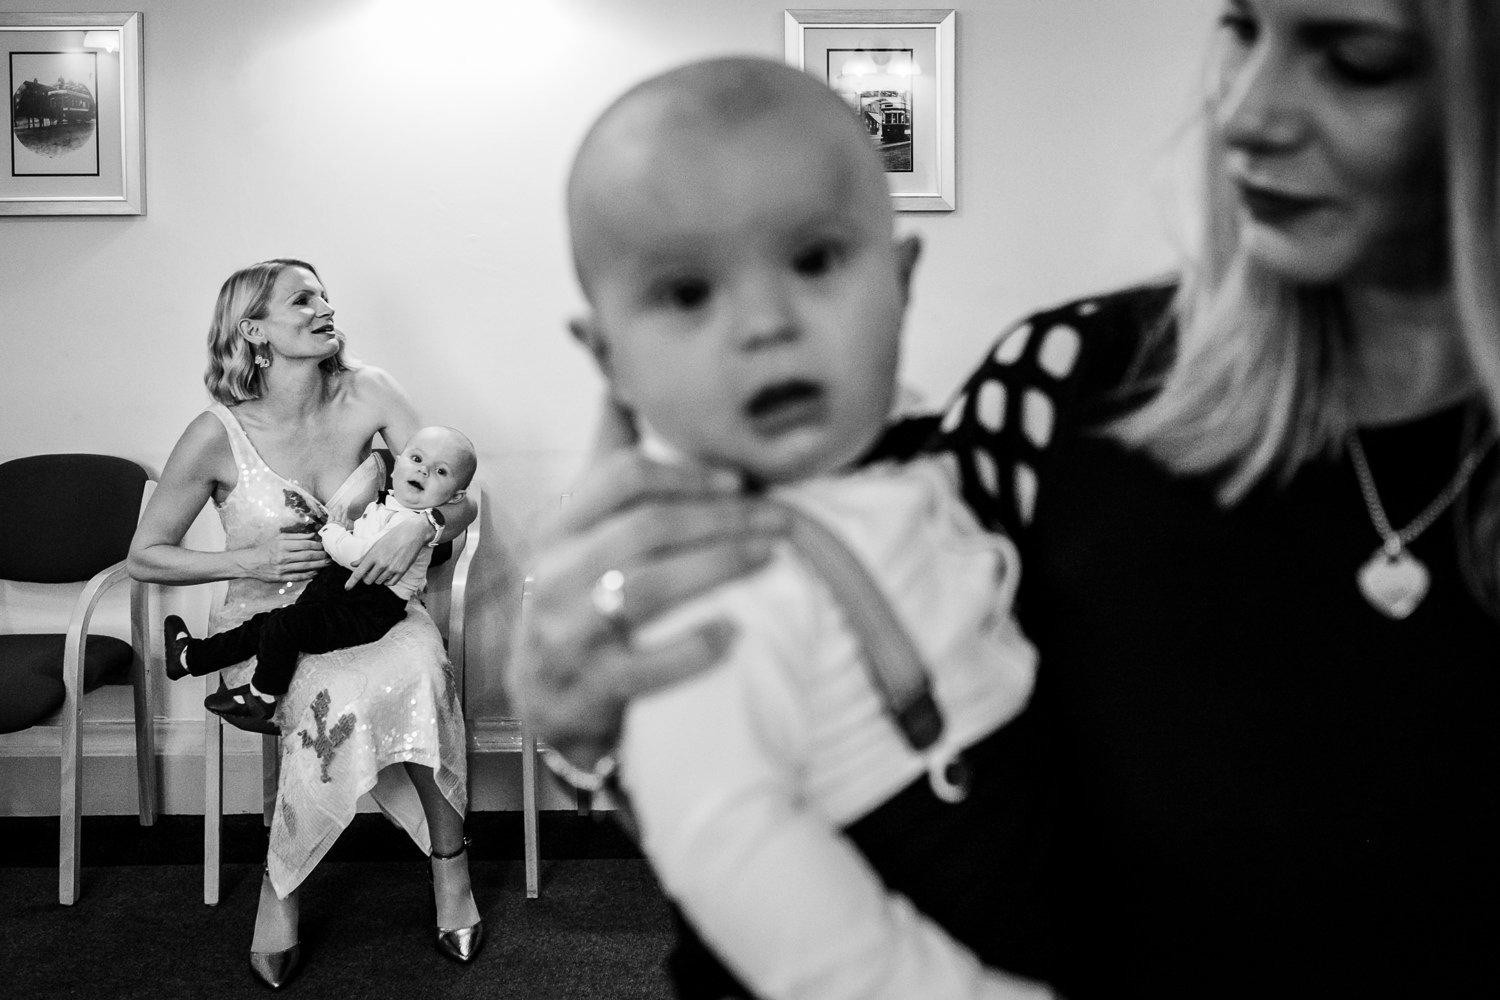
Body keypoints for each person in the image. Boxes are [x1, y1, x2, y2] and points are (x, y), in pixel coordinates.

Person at [510, 1, 1500, 996]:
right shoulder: (1065, 390)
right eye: (1241, 26)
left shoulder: (900, 478)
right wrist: (592, 717)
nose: (1245, 114)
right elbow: (734, 839)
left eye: (1357, 58)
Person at [564, 57, 1049, 1000]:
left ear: (902, 281)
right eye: (688, 294)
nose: (766, 323)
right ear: (608, 358)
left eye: (816, 261)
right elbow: (731, 850)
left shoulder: (920, 460)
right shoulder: (704, 583)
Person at [128, 259, 485, 989]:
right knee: (328, 688)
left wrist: (420, 529)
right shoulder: (216, 434)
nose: (324, 306)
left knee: (420, 664)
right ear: (252, 330)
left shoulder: (372, 391)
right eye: (302, 299)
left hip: (374, 610)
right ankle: (282, 883)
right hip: (268, 624)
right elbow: (145, 556)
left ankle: (452, 871)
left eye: (323, 294)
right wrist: (252, 558)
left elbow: (462, 492)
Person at [161, 425, 477, 733]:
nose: (423, 471)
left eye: (440, 472)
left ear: (455, 495)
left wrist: (330, 531)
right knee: (265, 624)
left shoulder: (414, 523)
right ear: (396, 466)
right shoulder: (388, 502)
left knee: (283, 627)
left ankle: (262, 695)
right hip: (337, 595)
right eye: (417, 460)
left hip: (365, 610)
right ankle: (192, 656)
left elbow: (359, 555)